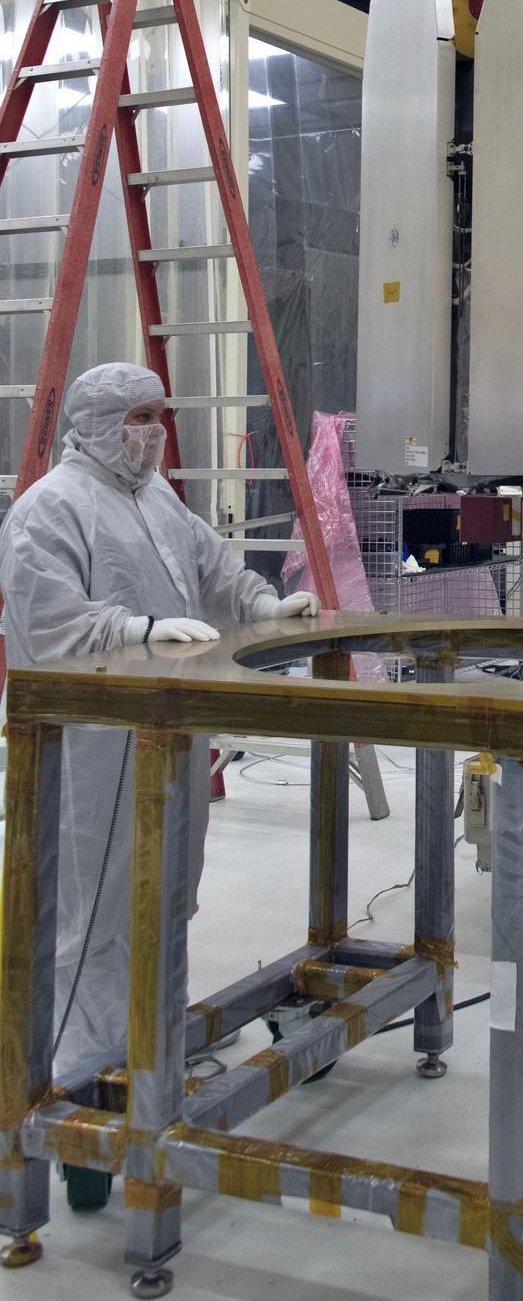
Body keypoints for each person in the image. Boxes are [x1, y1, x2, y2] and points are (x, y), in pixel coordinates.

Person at [0, 363, 320, 1205]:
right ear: (96, 421)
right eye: (138, 416)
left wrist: (262, 605)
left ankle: (153, 1048)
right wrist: (138, 628)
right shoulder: (51, 508)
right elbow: (47, 624)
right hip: (93, 744)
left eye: (159, 416)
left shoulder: (157, 498)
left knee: (169, 893)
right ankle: (81, 1088)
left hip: (168, 729)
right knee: (95, 913)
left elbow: (213, 571)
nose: (154, 431)